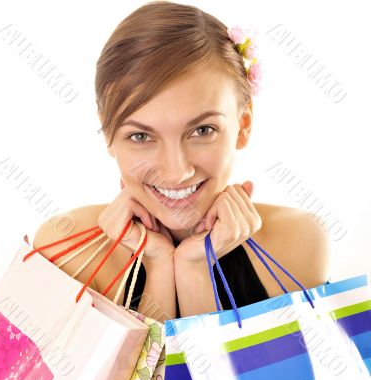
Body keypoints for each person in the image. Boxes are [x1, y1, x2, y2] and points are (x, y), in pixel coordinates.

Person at [33, 1, 331, 324]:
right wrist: (158, 266)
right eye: (141, 137)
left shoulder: (296, 244)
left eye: (202, 130)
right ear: (108, 133)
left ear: (243, 126)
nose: (176, 172)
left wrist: (194, 271)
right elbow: (150, 378)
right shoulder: (66, 251)